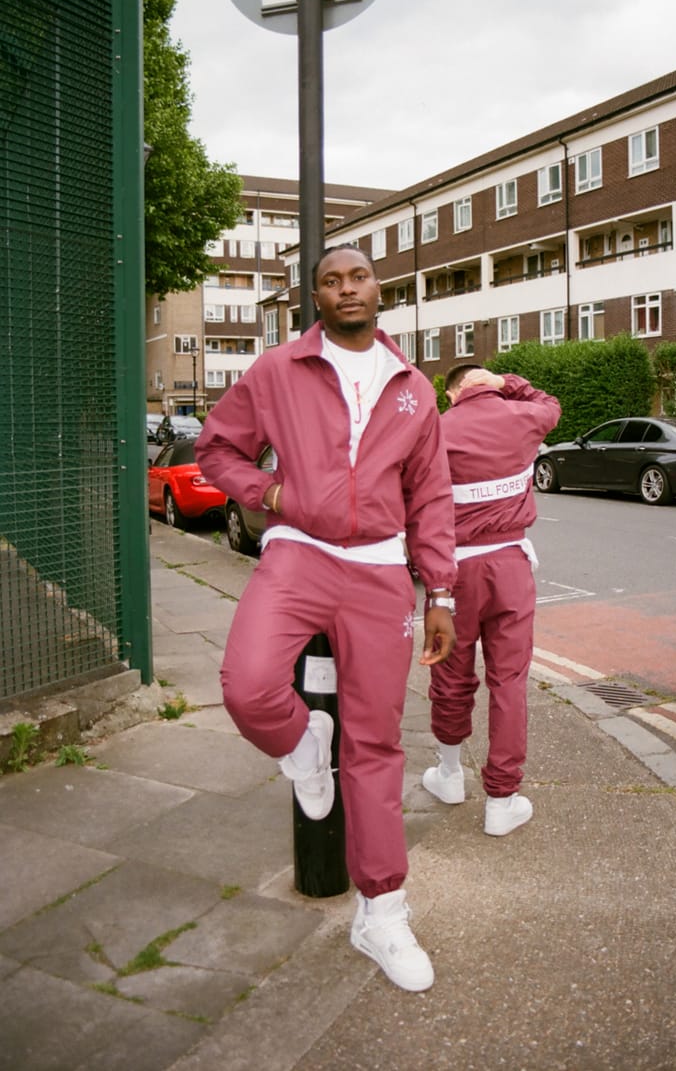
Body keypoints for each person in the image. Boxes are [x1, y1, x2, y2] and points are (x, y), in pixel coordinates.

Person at [194, 245, 457, 993]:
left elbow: (432, 497)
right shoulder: (278, 369)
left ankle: (383, 910)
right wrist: (270, 495)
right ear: (316, 296)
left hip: (379, 570)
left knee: (376, 743)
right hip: (299, 554)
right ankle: (304, 744)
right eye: (332, 280)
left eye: (359, 276)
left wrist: (440, 592)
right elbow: (217, 447)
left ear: (381, 288)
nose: (348, 288)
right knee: (247, 685)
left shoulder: (413, 389)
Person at [422, 365, 561, 836]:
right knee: (510, 682)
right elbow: (551, 404)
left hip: (454, 570)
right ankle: (501, 801)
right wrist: (511, 381)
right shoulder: (525, 416)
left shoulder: (435, 430)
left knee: (451, 674)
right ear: (489, 386)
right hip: (510, 565)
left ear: (453, 391)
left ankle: (449, 774)